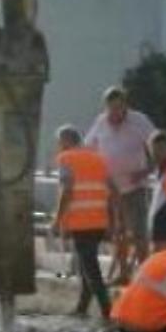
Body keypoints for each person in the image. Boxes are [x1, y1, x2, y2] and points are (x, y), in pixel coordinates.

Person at [85, 86, 157, 281]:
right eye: (111, 108)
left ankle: (145, 276)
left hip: (134, 186)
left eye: (118, 107)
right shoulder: (100, 122)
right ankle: (124, 273)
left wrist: (146, 170)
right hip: (109, 188)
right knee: (118, 233)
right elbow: (89, 149)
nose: (115, 113)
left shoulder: (139, 121)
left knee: (139, 233)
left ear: (125, 105)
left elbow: (158, 145)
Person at [50, 124, 116, 319]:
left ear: (66, 141)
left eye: (59, 142)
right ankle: (82, 308)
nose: (58, 146)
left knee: (90, 268)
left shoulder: (67, 159)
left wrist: (57, 220)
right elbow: (113, 191)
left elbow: (67, 190)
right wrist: (113, 221)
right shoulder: (98, 158)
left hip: (81, 221)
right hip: (99, 220)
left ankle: (108, 311)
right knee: (85, 265)